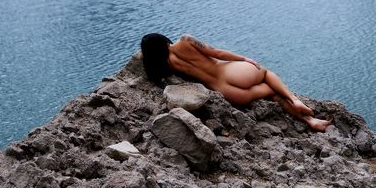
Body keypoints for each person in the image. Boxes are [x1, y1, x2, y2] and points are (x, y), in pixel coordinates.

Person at [140, 33, 331, 131]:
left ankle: (310, 121)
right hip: (230, 73)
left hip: (228, 92)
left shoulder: (166, 67)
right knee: (265, 73)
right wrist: (244, 59)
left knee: (271, 94)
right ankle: (294, 100)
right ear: (164, 40)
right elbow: (216, 53)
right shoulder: (185, 40)